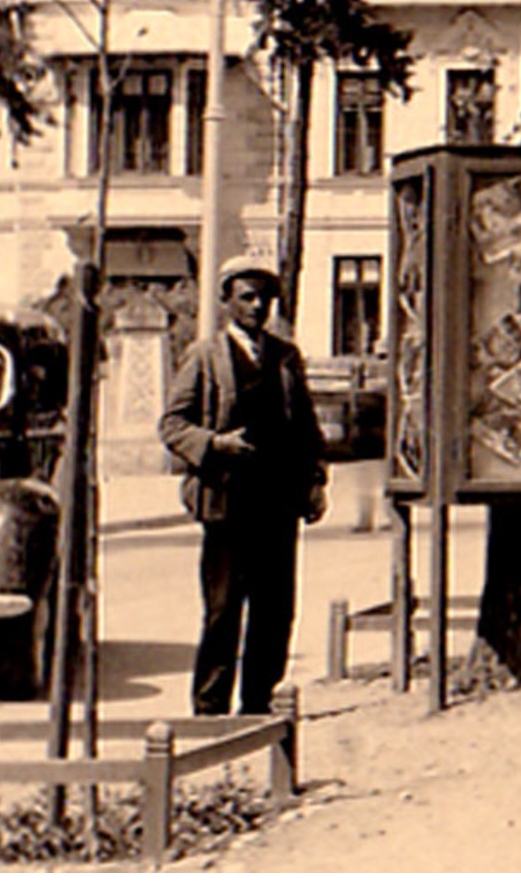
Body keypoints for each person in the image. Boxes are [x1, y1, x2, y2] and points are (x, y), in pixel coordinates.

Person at [159, 256, 329, 715]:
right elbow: (173, 424)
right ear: (226, 301)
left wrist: (316, 481)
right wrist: (214, 444)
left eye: (265, 298)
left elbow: (307, 428)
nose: (257, 307)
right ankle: (210, 707)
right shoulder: (206, 356)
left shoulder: (285, 356)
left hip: (279, 501)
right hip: (228, 503)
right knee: (223, 610)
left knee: (276, 611)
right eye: (247, 297)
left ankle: (259, 704)